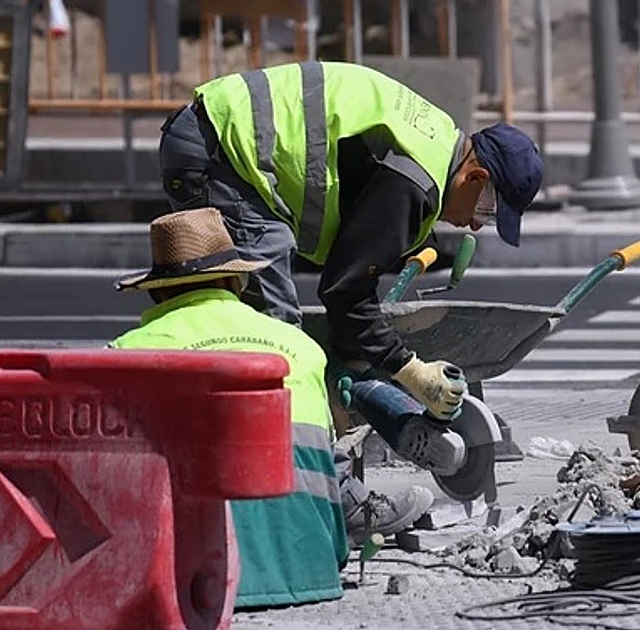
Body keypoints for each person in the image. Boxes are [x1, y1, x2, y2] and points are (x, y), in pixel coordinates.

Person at [158, 61, 544, 456]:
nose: (476, 225)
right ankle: (297, 469)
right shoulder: (414, 180)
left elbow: (353, 263)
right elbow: (345, 289)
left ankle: (255, 441)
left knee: (274, 328)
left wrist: (355, 351)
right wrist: (409, 369)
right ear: (475, 177)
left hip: (221, 136)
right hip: (221, 149)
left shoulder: (437, 142)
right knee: (277, 336)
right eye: (487, 211)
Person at [108, 208, 435, 606]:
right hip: (311, 570)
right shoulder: (302, 347)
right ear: (236, 281)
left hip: (192, 585)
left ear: (157, 292)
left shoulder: (127, 353)